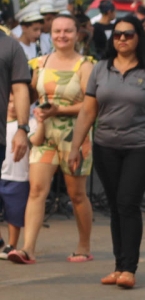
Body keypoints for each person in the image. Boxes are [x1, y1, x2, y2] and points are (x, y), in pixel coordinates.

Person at [68, 15, 145, 289]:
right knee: (116, 206)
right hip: (106, 147)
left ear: (139, 37)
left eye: (128, 34)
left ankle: (129, 269)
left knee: (127, 202)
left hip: (143, 146)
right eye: (117, 35)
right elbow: (88, 111)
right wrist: (75, 146)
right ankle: (118, 266)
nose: (122, 39)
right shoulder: (101, 69)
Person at [10, 14, 93, 265]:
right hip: (44, 132)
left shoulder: (85, 66)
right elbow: (31, 93)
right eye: (57, 31)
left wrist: (59, 110)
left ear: (77, 34)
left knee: (76, 194)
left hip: (75, 136)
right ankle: (28, 249)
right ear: (50, 34)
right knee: (36, 190)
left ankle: (84, 246)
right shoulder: (40, 63)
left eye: (67, 31)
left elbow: (90, 105)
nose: (62, 36)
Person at [2, 91, 33, 256]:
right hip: (2, 173)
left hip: (19, 176)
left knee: (14, 214)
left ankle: (12, 244)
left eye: (16, 102)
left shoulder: (29, 125)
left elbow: (37, 140)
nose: (13, 106)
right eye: (9, 102)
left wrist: (41, 122)